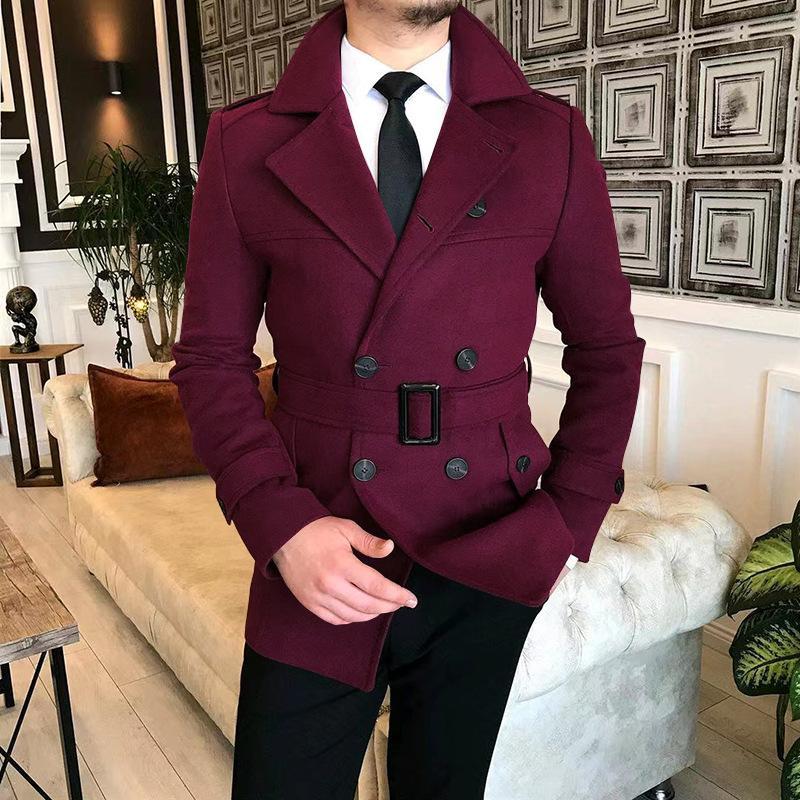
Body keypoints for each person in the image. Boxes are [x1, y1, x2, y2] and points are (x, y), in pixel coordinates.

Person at [169, 1, 646, 797]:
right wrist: (279, 525)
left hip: (487, 545)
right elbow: (211, 360)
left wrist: (567, 518)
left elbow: (607, 350)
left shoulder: (548, 137)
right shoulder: (244, 140)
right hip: (319, 540)